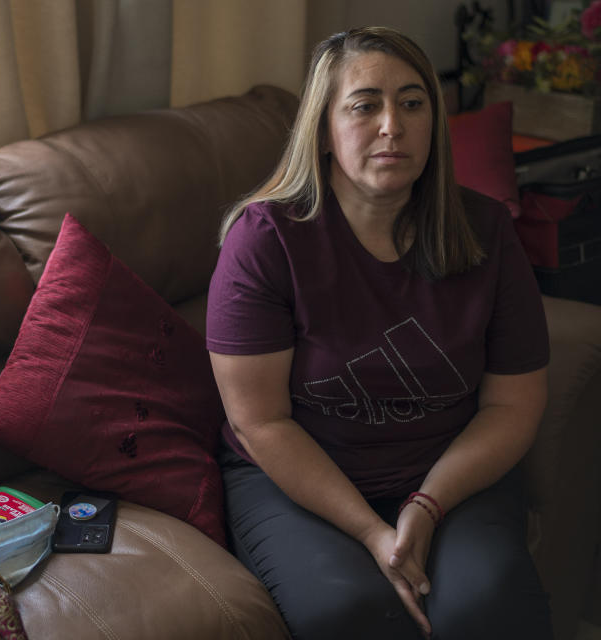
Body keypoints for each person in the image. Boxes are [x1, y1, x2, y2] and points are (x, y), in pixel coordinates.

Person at [206, 26, 552, 640]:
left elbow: (512, 404)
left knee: (488, 603)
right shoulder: (265, 240)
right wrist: (373, 532)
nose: (392, 124)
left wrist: (427, 505)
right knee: (350, 612)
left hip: (447, 468)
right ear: (323, 128)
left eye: (413, 103)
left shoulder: (487, 232)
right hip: (298, 480)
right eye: (365, 105)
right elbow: (261, 421)